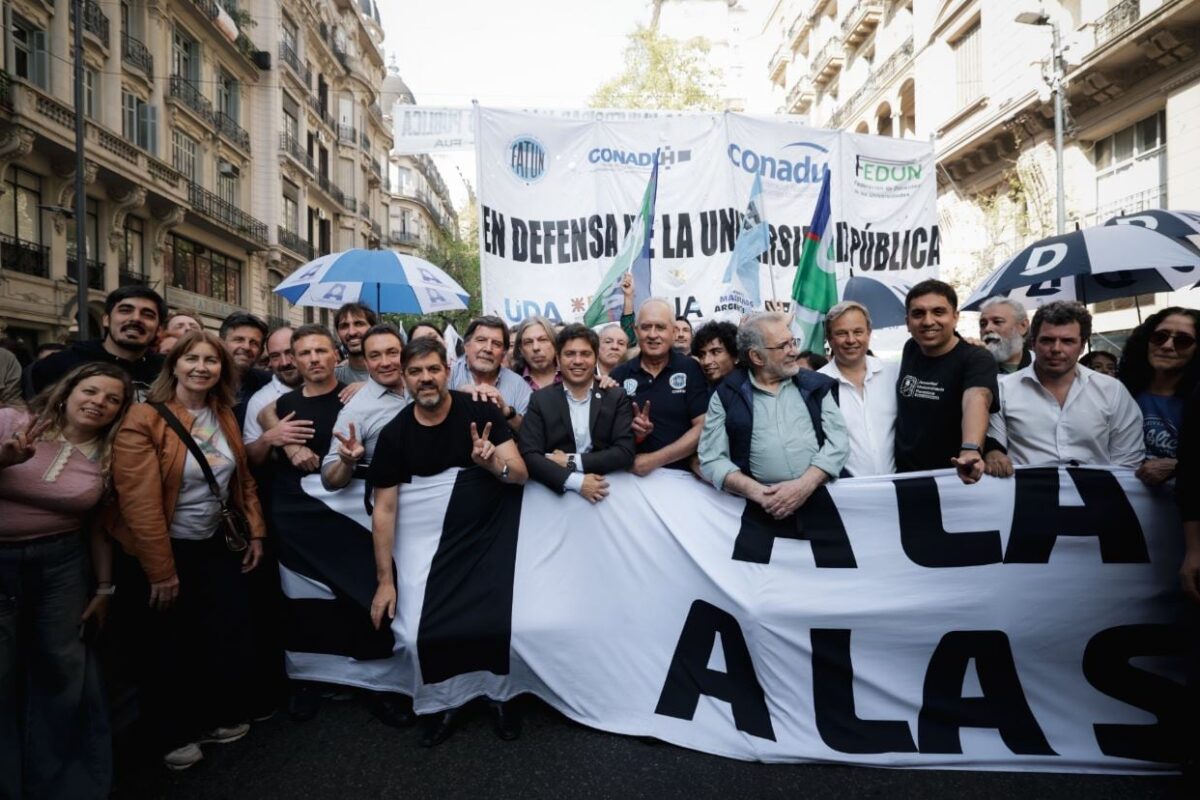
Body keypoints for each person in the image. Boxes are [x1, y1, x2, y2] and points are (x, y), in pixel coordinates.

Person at [110, 330, 266, 771]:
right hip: (163, 548)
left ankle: (210, 717)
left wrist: (255, 533)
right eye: (191, 359)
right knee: (165, 645)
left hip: (215, 543)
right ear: (174, 365)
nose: (201, 367)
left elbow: (243, 482)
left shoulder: (224, 413)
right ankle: (170, 734)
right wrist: (161, 571)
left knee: (214, 634)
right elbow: (139, 503)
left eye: (210, 361)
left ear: (222, 370)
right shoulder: (144, 417)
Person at [367, 336, 528, 746]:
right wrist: (385, 581)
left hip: (488, 536)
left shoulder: (480, 411)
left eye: (433, 369)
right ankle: (444, 703)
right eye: (415, 371)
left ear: (447, 371)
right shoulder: (394, 434)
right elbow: (384, 510)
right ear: (404, 378)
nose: (425, 378)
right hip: (429, 547)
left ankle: (500, 698)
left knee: (495, 622)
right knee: (422, 632)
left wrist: (491, 463)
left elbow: (518, 474)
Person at [0, 363, 132, 799]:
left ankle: (58, 781)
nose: (99, 402)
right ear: (68, 390)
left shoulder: (109, 455)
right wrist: (4, 460)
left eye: (112, 399)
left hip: (61, 566)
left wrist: (104, 589)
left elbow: (98, 528)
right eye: (90, 391)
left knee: (62, 670)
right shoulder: (12, 421)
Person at [258, 325, 347, 720]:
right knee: (304, 602)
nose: (314, 359)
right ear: (293, 359)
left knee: (353, 597)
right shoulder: (277, 408)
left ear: (336, 355)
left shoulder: (357, 396)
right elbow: (252, 459)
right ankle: (309, 680)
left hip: (349, 519)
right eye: (305, 352)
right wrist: (281, 440)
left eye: (321, 350)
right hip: (296, 522)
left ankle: (370, 682)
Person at [699, 312, 848, 518]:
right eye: (783, 346)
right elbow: (712, 459)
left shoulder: (816, 385)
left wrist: (805, 486)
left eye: (793, 342)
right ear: (757, 357)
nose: (794, 351)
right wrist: (761, 494)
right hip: (759, 511)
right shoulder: (727, 395)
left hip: (820, 503)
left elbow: (838, 443)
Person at [984, 301, 1144, 474]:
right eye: (1047, 340)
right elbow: (996, 450)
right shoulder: (1002, 390)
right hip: (1024, 489)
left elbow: (1127, 461)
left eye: (1067, 341)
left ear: (1082, 346)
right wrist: (993, 453)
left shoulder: (1112, 390)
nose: (1056, 349)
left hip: (1099, 489)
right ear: (1033, 343)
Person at [894, 279, 999, 484]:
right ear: (907, 322)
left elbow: (977, 399)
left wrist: (970, 450)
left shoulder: (976, 358)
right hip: (907, 478)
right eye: (918, 314)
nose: (927, 321)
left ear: (955, 317)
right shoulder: (911, 348)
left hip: (955, 477)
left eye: (938, 312)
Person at [518, 324, 635, 501]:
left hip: (606, 491)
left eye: (585, 354)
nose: (578, 361)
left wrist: (570, 462)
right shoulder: (540, 399)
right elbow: (529, 454)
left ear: (595, 357)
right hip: (554, 495)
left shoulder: (615, 396)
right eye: (570, 354)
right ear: (558, 358)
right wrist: (576, 482)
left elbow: (624, 452)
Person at [610, 299, 709, 476]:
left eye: (660, 327)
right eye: (646, 327)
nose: (653, 334)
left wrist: (654, 460)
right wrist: (634, 434)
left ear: (673, 331)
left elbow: (702, 427)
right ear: (635, 331)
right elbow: (608, 435)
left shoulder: (690, 369)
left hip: (681, 477)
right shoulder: (619, 375)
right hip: (629, 477)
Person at [30, 286, 167, 399]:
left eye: (148, 315)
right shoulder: (59, 364)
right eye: (125, 311)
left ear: (159, 329)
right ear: (106, 320)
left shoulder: (167, 370)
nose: (136, 318)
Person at [321, 324, 409, 491]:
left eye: (392, 353)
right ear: (366, 363)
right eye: (375, 356)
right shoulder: (355, 410)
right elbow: (329, 481)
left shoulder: (422, 388)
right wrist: (346, 461)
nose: (385, 362)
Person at [1119, 307, 1200, 486]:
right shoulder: (1119, 392)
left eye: (1183, 341)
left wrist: (1179, 466)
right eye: (1159, 337)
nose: (1167, 346)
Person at [818, 301, 899, 477]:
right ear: (830, 339)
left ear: (869, 333)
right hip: (845, 488)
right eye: (841, 333)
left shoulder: (893, 374)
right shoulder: (817, 384)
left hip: (896, 485)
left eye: (858, 332)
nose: (851, 340)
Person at [449, 315, 532, 431]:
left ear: (503, 353)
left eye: (496, 344)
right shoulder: (448, 375)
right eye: (481, 340)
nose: (488, 349)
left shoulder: (518, 385)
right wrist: (456, 397)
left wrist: (506, 411)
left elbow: (530, 433)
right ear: (466, 346)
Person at [244, 327, 311, 466]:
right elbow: (252, 459)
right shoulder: (260, 400)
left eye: (290, 352)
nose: (284, 362)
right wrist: (268, 438)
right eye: (275, 356)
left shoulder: (325, 380)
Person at [219, 312, 271, 429]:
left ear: (260, 352)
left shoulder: (269, 383)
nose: (246, 347)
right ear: (221, 343)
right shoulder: (205, 381)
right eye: (238, 340)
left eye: (254, 343)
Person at [978, 296, 1032, 374]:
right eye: (983, 324)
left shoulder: (1042, 365)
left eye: (997, 321)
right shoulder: (972, 368)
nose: (987, 329)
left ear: (1022, 326)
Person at [333, 302, 379, 385]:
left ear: (374, 328)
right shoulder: (333, 377)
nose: (352, 332)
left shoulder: (394, 373)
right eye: (344, 326)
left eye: (359, 324)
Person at [513, 315, 561, 391]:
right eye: (528, 342)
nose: (535, 348)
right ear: (521, 349)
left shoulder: (571, 375)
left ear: (555, 344)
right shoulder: (513, 382)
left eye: (542, 340)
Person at [692, 321, 739, 387]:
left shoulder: (747, 388)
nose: (706, 362)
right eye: (701, 355)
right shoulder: (697, 387)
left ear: (735, 355)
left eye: (715, 352)